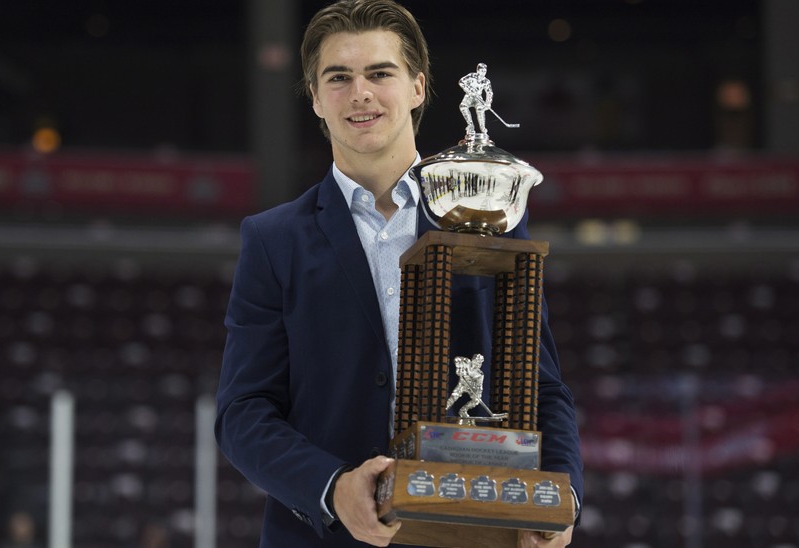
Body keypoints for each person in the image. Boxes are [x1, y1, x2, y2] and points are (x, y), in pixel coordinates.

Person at [214, 1, 582, 547]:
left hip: (472, 532)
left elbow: (540, 384)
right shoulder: (274, 240)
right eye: (338, 77)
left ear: (417, 87)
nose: (360, 92)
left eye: (379, 73)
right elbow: (242, 414)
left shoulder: (489, 212)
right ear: (315, 98)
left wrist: (564, 495)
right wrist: (333, 488)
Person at [459, 62, 493, 136]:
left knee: (480, 109)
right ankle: (470, 125)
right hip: (469, 96)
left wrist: (488, 103)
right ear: (477, 71)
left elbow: (489, 92)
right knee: (463, 106)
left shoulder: (486, 81)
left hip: (478, 98)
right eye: (481, 71)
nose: (483, 73)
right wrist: (469, 90)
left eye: (484, 71)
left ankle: (483, 128)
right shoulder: (471, 76)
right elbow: (461, 82)